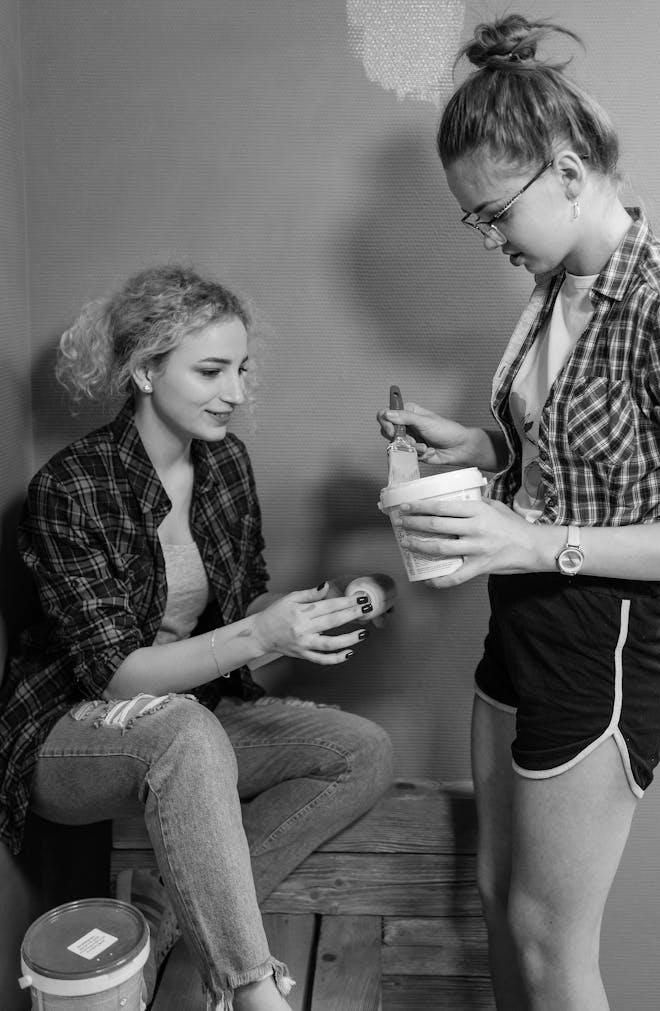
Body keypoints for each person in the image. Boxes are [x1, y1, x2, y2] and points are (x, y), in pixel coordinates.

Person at [377, 13, 660, 1011]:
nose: (492, 240)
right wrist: (486, 449)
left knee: (552, 944)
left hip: (606, 638)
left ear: (570, 171)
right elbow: (588, 453)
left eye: (494, 214)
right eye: (477, 222)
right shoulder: (561, 289)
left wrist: (536, 539)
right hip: (523, 622)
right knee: (500, 902)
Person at [0, 265, 393, 1011]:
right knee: (184, 725)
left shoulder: (224, 465)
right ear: (146, 370)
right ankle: (250, 988)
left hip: (192, 720)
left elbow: (242, 602)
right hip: (71, 731)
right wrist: (256, 634)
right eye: (211, 370)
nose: (236, 393)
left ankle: (163, 910)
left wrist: (308, 617)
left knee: (361, 750)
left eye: (240, 369)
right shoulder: (72, 486)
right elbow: (118, 679)